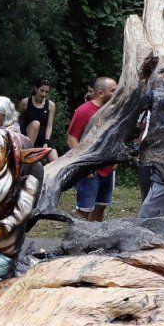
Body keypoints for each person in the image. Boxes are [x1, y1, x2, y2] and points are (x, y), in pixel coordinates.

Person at [66, 79, 116, 221]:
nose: (117, 93)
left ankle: (94, 235)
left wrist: (115, 160)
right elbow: (71, 139)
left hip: (107, 168)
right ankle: (75, 235)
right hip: (89, 169)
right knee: (83, 212)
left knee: (100, 208)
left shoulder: (113, 110)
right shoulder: (84, 111)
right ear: (100, 93)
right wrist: (85, 164)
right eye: (113, 90)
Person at [20, 82, 54, 153]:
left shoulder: (51, 105)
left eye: (46, 92)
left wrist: (46, 142)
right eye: (42, 91)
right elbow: (17, 118)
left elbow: (49, 125)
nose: (44, 94)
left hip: (43, 137)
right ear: (36, 89)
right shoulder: (25, 102)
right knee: (36, 123)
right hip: (28, 135)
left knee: (54, 156)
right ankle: (28, 152)